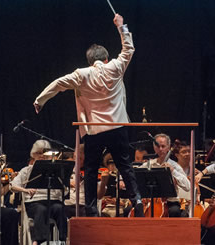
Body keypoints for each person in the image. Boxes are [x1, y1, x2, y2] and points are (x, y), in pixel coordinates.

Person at [33, 13, 143, 217]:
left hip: (95, 130)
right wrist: (121, 27)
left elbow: (58, 83)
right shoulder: (116, 67)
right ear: (106, 58)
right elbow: (129, 49)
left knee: (91, 169)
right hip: (118, 127)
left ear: (90, 61)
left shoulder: (81, 74)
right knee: (125, 166)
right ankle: (136, 200)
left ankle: (91, 207)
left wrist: (40, 100)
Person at [10, 140, 67, 244]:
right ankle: (40, 241)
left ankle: (64, 240)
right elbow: (12, 186)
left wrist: (65, 186)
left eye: (44, 153)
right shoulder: (26, 170)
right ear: (33, 154)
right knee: (41, 210)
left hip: (53, 200)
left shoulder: (55, 171)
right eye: (39, 153)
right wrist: (25, 190)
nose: (42, 156)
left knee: (60, 208)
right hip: (34, 202)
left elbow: (64, 191)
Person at [138, 134, 190, 217]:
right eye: (157, 146)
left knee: (174, 211)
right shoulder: (148, 164)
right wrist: (122, 180)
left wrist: (173, 171)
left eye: (163, 146)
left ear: (168, 148)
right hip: (151, 201)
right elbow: (134, 173)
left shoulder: (175, 166)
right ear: (154, 147)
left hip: (170, 202)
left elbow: (188, 186)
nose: (160, 149)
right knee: (130, 209)